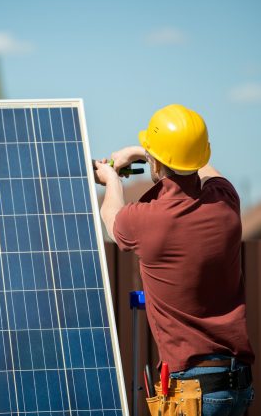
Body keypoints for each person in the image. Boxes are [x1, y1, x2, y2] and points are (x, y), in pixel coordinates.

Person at [94, 104, 255, 416]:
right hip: (237, 387)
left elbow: (110, 215)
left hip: (193, 392)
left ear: (157, 163)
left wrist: (113, 179)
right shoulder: (226, 201)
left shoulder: (146, 220)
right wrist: (150, 151)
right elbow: (205, 169)